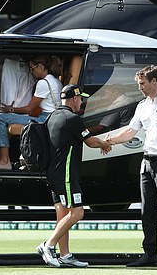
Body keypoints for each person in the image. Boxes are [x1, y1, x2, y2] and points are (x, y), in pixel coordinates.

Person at [106, 65, 157, 267]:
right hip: (147, 161)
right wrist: (110, 141)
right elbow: (131, 131)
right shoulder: (142, 105)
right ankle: (149, 253)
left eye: (142, 83)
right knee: (147, 210)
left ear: (154, 81)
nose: (140, 87)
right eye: (139, 84)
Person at [36, 84, 111, 268]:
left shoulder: (52, 116)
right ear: (74, 99)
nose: (82, 102)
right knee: (77, 212)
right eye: (80, 99)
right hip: (67, 175)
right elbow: (91, 142)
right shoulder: (73, 119)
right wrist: (104, 144)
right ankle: (48, 246)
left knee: (63, 216)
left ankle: (65, 255)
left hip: (53, 174)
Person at [0, 55, 63, 170]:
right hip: (52, 118)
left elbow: (29, 109)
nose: (32, 72)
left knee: (1, 118)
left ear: (41, 66)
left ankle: (4, 160)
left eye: (32, 68)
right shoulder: (56, 81)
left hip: (44, 120)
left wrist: (11, 110)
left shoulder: (43, 83)